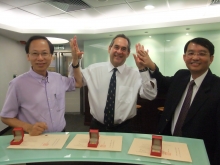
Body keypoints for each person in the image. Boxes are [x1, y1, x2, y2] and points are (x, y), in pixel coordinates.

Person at [135, 37, 220, 165]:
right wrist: (149, 64)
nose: (195, 57)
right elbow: (163, 83)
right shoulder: (181, 76)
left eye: (202, 53)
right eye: (191, 53)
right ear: (184, 57)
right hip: (168, 149)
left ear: (211, 59)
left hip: (197, 156)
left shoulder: (217, 87)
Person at [69, 34, 157, 132]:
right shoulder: (94, 70)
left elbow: (150, 95)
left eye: (123, 49)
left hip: (124, 128)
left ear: (128, 53)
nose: (119, 51)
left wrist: (143, 70)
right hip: (97, 127)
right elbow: (75, 81)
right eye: (116, 47)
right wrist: (75, 60)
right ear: (109, 49)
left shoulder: (135, 74)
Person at [0, 35, 83, 136]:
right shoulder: (17, 84)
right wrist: (29, 127)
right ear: (28, 56)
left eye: (44, 53)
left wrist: (75, 59)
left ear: (51, 56)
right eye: (35, 53)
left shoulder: (58, 78)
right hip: (35, 137)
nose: (40, 58)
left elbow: (78, 82)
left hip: (61, 134)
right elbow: (6, 117)